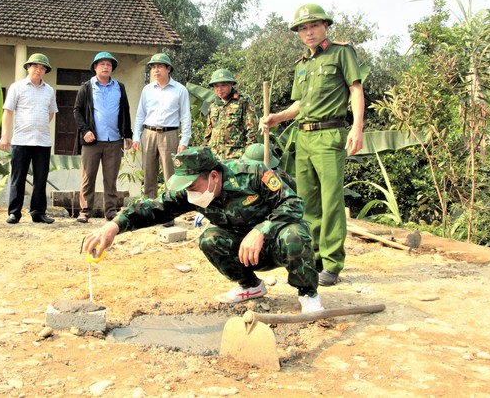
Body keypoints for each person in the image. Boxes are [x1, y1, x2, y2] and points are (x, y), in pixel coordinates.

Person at [84, 147, 324, 313]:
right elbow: (155, 207)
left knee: (295, 234)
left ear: (213, 176)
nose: (189, 192)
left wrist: (262, 230)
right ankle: (251, 286)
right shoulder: (193, 191)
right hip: (245, 251)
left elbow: (294, 204)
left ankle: (308, 294)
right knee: (210, 238)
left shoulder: (251, 173)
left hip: (278, 242)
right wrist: (114, 226)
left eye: (192, 186)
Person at [262, 3, 365, 287]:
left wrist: (357, 127)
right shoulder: (302, 65)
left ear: (326, 27)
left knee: (331, 201)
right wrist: (277, 118)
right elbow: (300, 104)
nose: (308, 33)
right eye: (303, 28)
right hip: (303, 138)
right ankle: (315, 257)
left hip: (330, 135)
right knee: (307, 203)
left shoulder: (342, 53)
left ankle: (332, 263)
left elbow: (356, 89)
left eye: (313, 26)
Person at [0, 53, 58, 225]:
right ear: (28, 67)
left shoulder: (49, 90)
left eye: (42, 68)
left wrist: (38, 124)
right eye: (35, 66)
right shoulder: (17, 87)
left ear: (45, 71)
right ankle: (14, 213)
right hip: (21, 141)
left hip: (42, 141)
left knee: (40, 179)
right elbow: (8, 112)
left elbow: (52, 112)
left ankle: (38, 212)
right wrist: (5, 136)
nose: (38, 70)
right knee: (18, 178)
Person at [73, 52, 133, 223]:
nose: (106, 67)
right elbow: (77, 110)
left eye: (109, 64)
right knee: (88, 177)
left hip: (114, 140)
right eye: (102, 64)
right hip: (92, 141)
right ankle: (85, 211)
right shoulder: (86, 87)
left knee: (111, 178)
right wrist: (85, 130)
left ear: (112, 68)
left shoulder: (119, 87)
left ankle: (111, 211)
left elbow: (125, 111)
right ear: (95, 67)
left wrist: (127, 134)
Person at [132, 53, 191, 203]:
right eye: (153, 67)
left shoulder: (180, 90)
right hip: (149, 132)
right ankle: (149, 207)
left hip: (169, 134)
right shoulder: (147, 90)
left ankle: (168, 210)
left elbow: (185, 116)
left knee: (170, 175)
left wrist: (184, 141)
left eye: (159, 66)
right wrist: (136, 137)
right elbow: (140, 114)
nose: (156, 70)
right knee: (148, 173)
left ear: (168, 69)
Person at [203, 68, 258, 160]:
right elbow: (208, 133)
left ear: (231, 84)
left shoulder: (243, 101)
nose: (219, 89)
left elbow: (252, 130)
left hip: (235, 155)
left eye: (223, 85)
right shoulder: (213, 105)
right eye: (216, 86)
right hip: (214, 156)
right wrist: (204, 152)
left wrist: (248, 154)